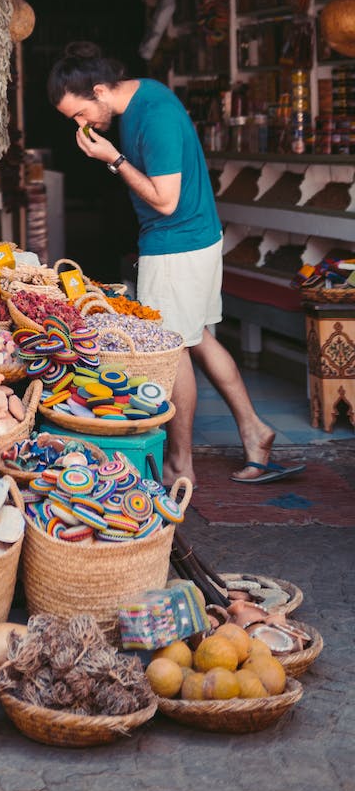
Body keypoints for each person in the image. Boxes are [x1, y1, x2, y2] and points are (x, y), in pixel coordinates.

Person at [47, 41, 304, 487]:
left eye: (80, 114)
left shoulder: (154, 117)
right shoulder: (143, 98)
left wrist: (113, 159)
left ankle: (180, 463)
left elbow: (165, 201)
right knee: (198, 338)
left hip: (176, 245)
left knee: (171, 349)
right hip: (196, 238)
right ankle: (255, 430)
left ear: (102, 90)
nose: (81, 125)